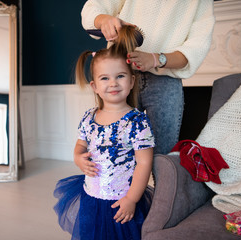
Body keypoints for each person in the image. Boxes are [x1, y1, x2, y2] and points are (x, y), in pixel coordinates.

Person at [53, 26, 155, 240]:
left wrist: (132, 199)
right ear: (94, 86)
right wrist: (77, 158)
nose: (113, 83)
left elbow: (144, 163)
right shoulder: (89, 117)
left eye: (120, 76)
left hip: (122, 201)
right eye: (105, 79)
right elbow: (80, 145)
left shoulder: (136, 121)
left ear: (131, 81)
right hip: (91, 195)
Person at [81, 1, 215, 154]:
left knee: (161, 157)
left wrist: (155, 59)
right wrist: (103, 20)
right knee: (115, 150)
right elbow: (93, 8)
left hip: (164, 82)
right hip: (120, 75)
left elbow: (195, 49)